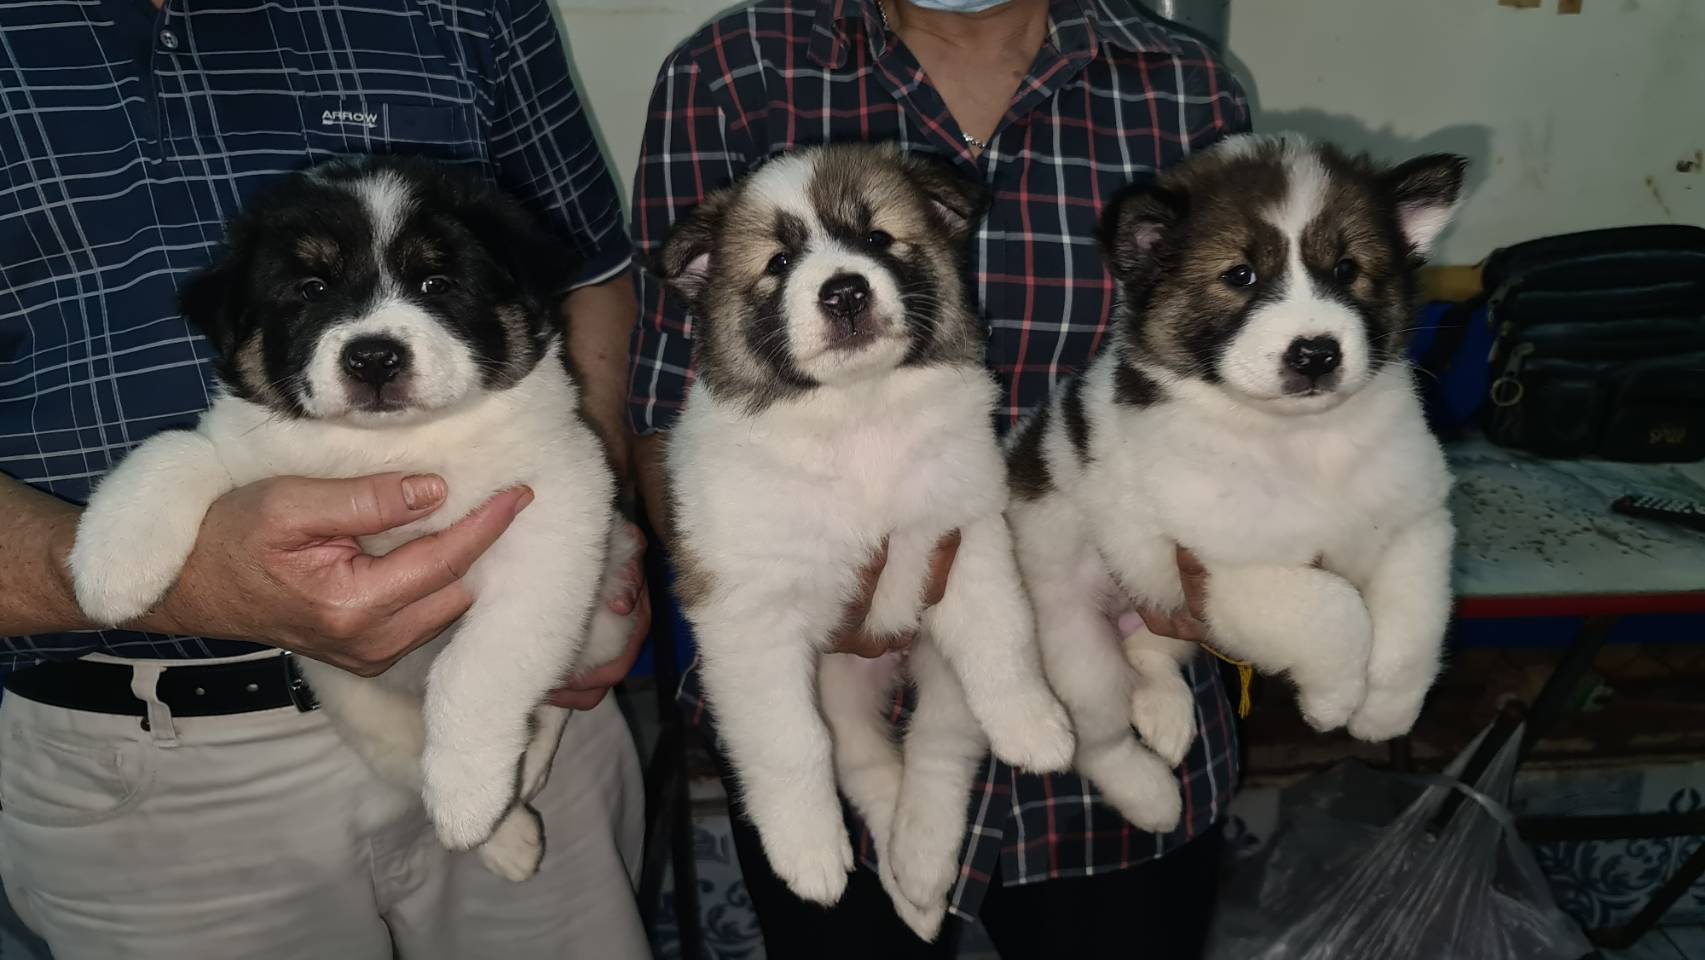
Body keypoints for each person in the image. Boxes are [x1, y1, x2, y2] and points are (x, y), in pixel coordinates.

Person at [0, 1, 652, 957]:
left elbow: (592, 271)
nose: (375, 336)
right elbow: (201, 458)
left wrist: (580, 576)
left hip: (521, 694)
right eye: (311, 292)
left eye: (433, 284)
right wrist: (95, 567)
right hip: (144, 752)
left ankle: (517, 763)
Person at [628, 0, 1251, 956]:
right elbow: (664, 405)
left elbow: (1233, 366)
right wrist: (797, 598)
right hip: (820, 717)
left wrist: (1217, 560)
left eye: (878, 242)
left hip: (1108, 683)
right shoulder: (734, 68)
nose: (842, 277)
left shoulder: (1184, 85)